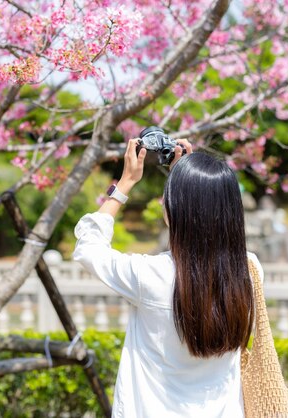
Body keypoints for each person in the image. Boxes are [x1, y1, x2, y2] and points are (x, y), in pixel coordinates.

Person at [73, 138, 264, 418]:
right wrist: (188, 176)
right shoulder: (249, 270)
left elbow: (88, 246)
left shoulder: (150, 276)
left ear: (174, 211)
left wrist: (124, 184)